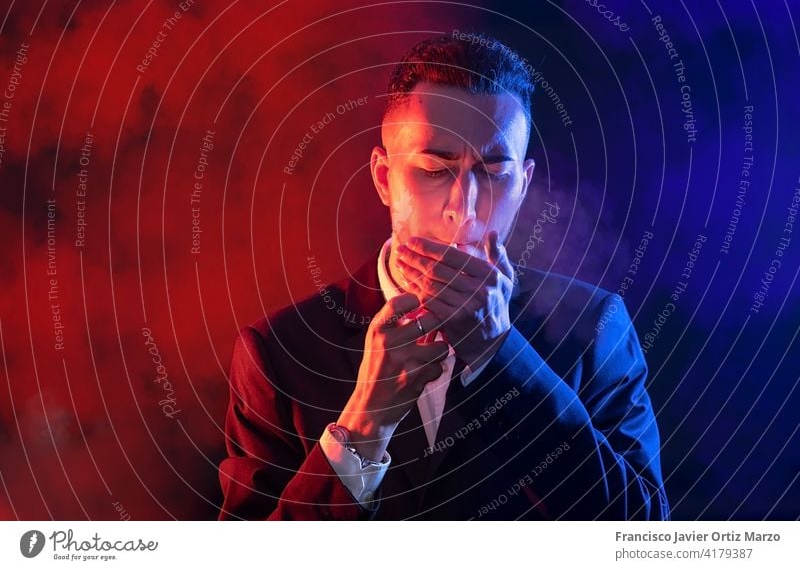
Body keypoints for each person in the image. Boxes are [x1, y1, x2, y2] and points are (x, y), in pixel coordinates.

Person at [218, 32, 669, 520]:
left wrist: (502, 356)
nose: (465, 209)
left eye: (494, 172)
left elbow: (641, 529)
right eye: (435, 169)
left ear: (524, 184)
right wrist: (364, 425)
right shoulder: (278, 352)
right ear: (382, 178)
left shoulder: (595, 327)